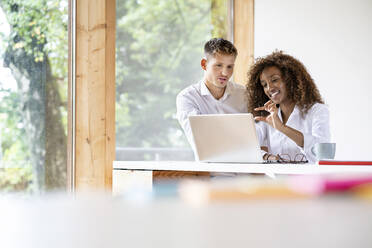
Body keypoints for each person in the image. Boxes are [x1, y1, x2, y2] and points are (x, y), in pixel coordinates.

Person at [246, 51, 330, 164]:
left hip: (308, 180)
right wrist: (267, 157)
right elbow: (247, 147)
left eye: (274, 80)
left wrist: (282, 128)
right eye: (264, 85)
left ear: (291, 79)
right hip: (278, 181)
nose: (269, 88)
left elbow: (323, 154)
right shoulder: (268, 116)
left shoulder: (317, 111)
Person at [176, 38, 247, 148]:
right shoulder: (187, 98)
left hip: (244, 163)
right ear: (204, 64)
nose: (225, 73)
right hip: (208, 164)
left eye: (230, 67)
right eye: (219, 65)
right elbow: (200, 140)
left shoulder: (243, 94)